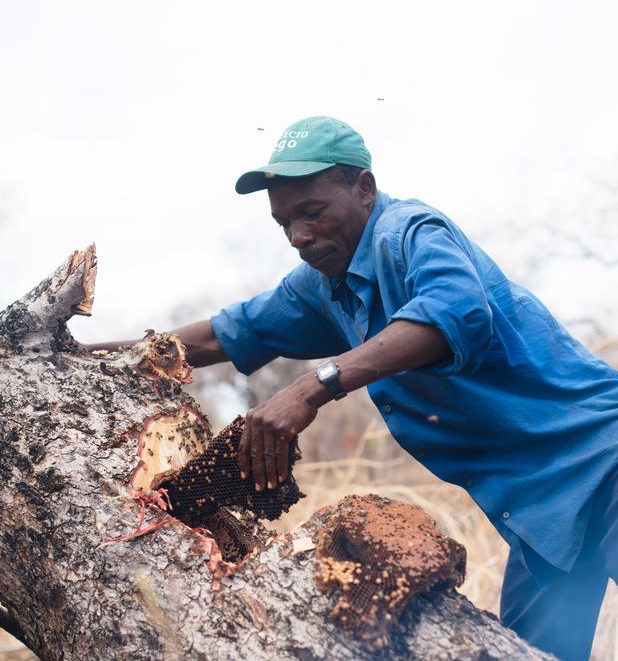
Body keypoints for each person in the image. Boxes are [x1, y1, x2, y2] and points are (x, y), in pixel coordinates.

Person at [89, 116, 617, 661]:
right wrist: (84, 358)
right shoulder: (322, 286)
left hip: (603, 460)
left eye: (312, 212)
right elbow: (223, 334)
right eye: (285, 222)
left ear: (362, 188)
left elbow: (454, 314)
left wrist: (313, 386)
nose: (299, 236)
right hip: (536, 511)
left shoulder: (408, 232)